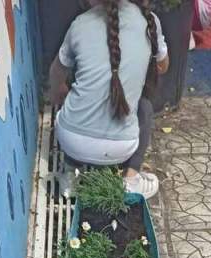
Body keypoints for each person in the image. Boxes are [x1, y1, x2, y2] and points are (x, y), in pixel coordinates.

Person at [49, 0, 169, 199]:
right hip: (121, 148)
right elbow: (163, 67)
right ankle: (131, 180)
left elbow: (56, 75)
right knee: (144, 106)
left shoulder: (79, 24)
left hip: (71, 141)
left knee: (72, 92)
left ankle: (70, 175)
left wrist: (61, 91)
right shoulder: (150, 22)